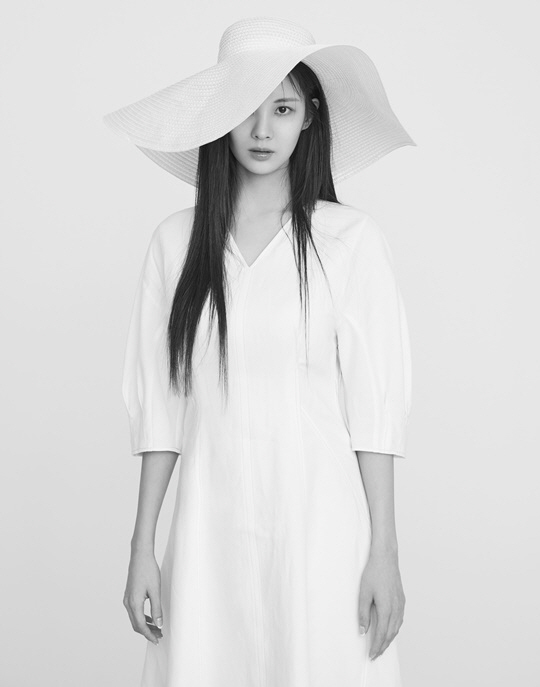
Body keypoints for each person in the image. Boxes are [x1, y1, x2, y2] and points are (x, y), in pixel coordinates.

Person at [103, 16, 415, 687]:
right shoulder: (175, 244)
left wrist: (385, 551)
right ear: (219, 119)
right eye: (246, 107)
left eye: (282, 108)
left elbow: (376, 412)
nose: (262, 129)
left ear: (310, 117)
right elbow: (161, 410)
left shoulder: (350, 241)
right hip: (208, 528)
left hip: (321, 528)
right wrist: (142, 545)